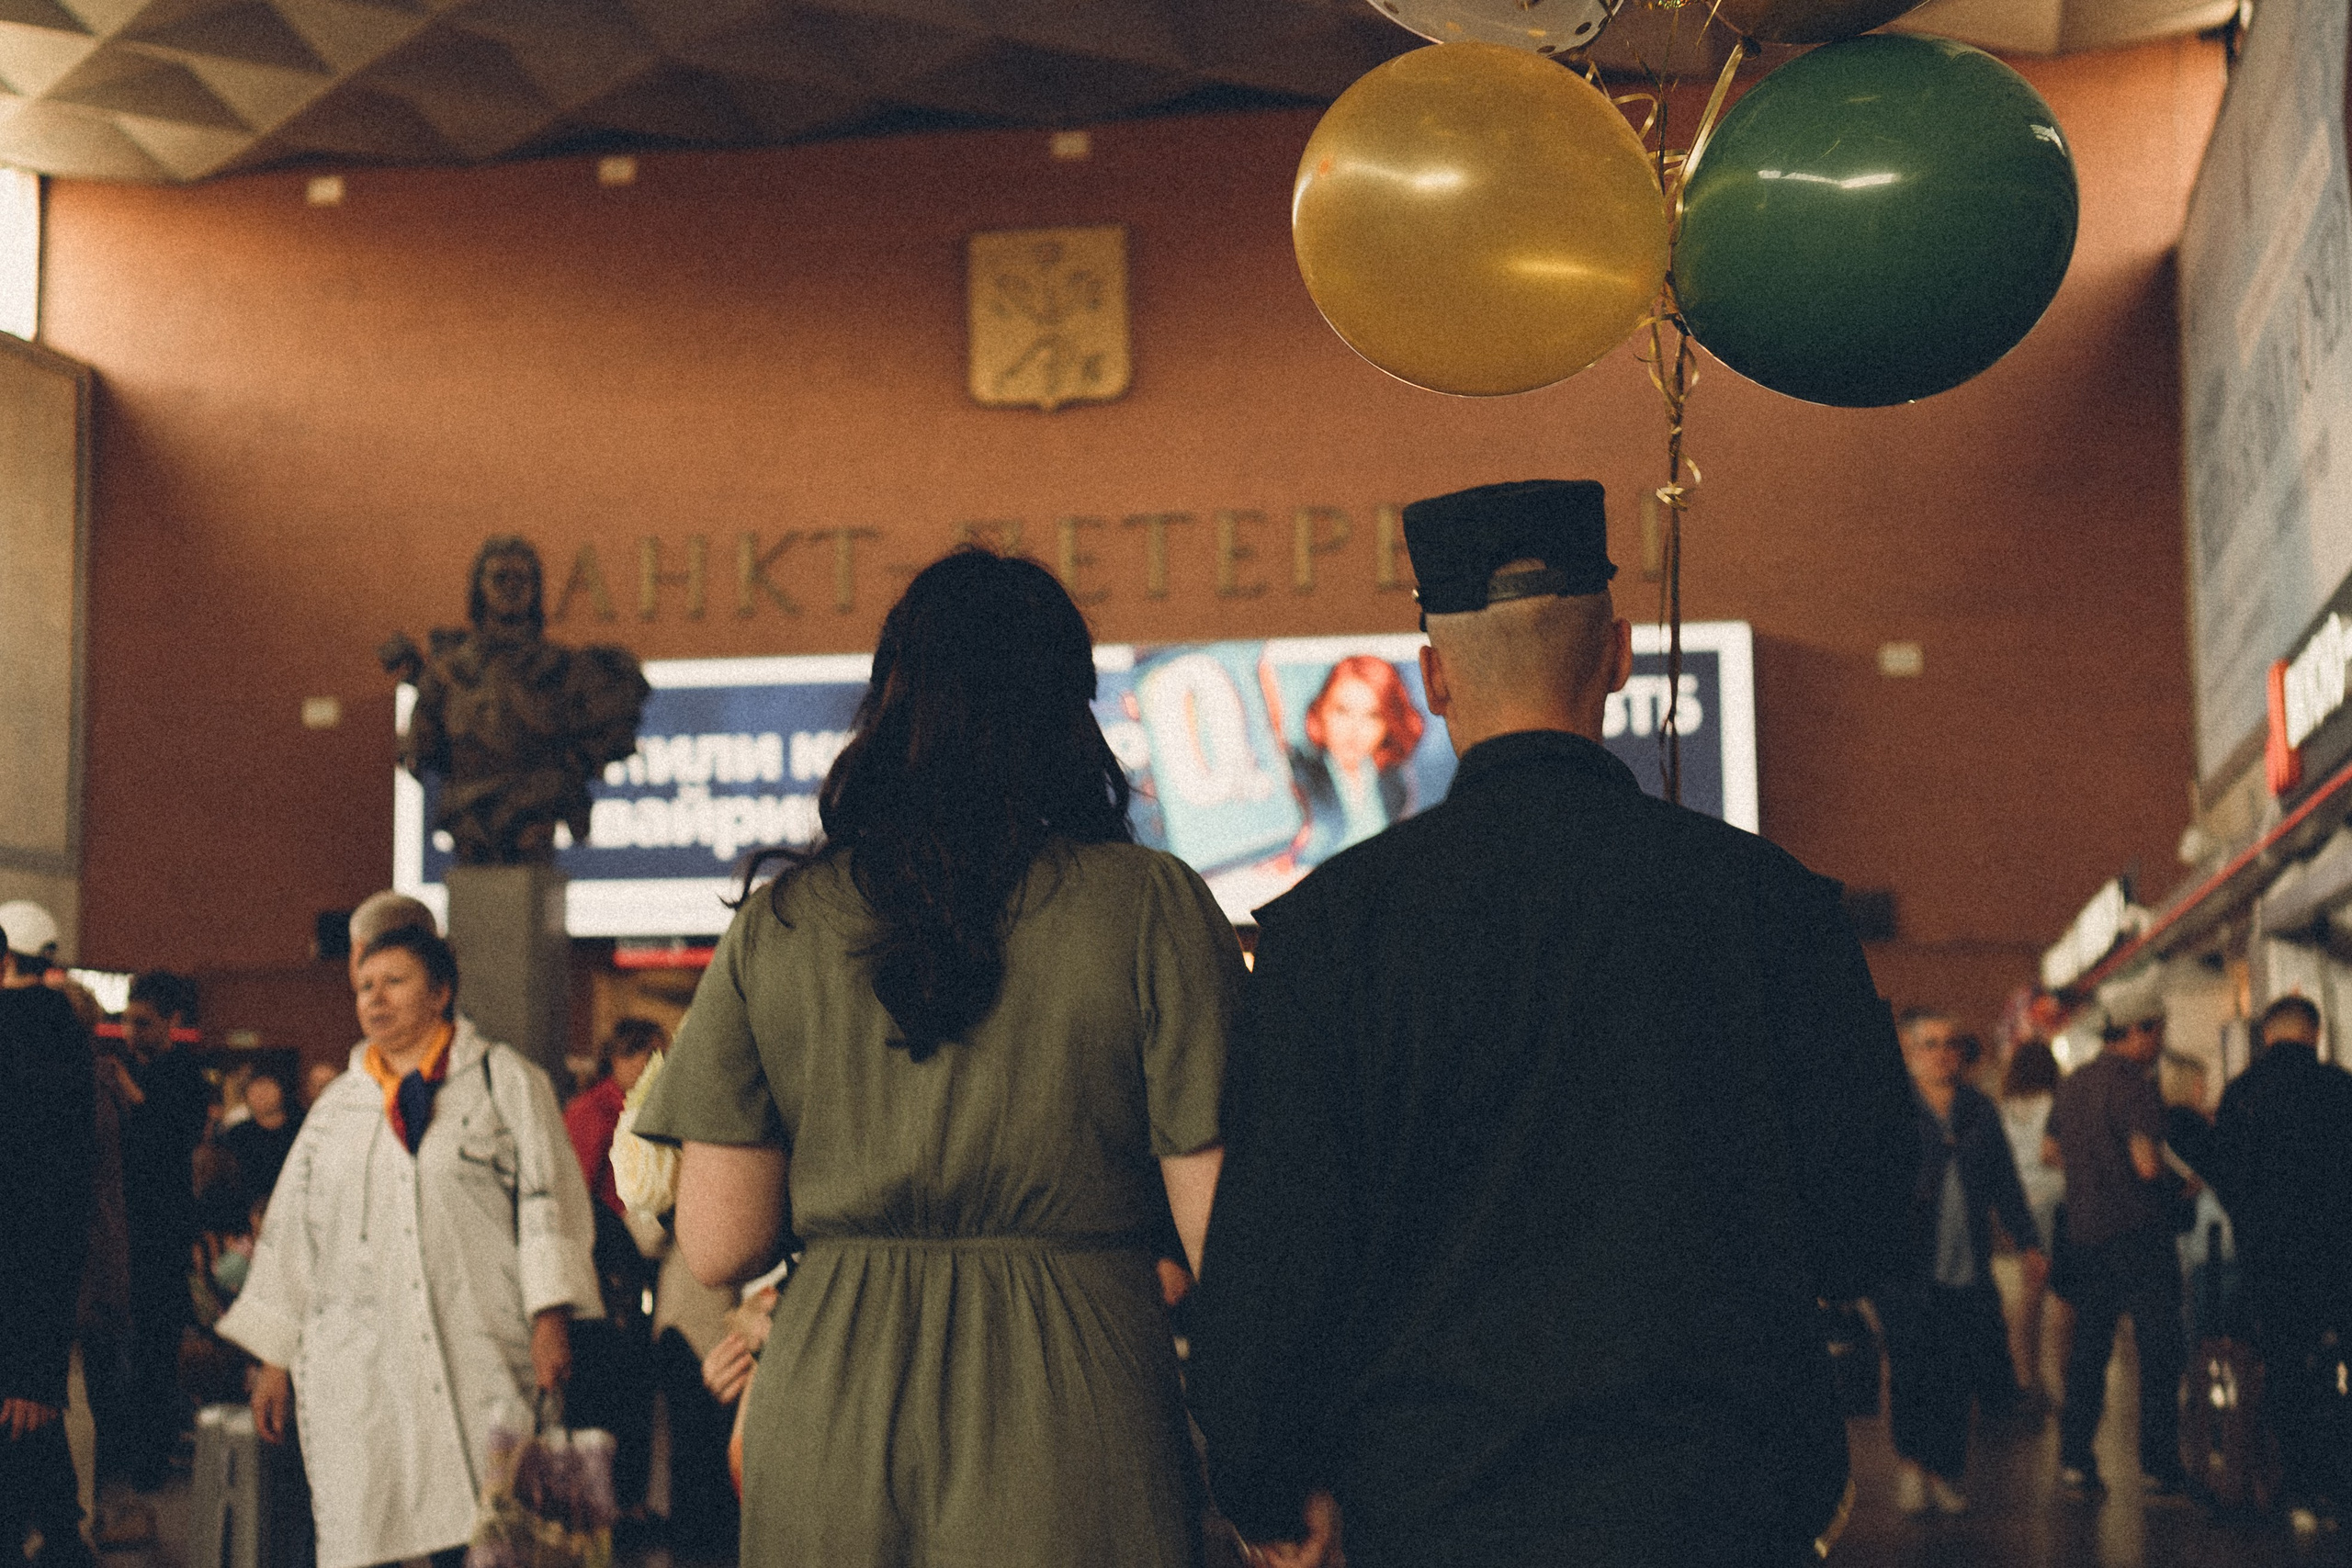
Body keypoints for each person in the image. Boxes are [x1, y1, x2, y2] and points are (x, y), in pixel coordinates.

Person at [1185, 479, 1916, 1568]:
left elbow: (1276, 1262)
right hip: (1721, 1504)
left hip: (1439, 1509)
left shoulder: (1329, 935)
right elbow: (1867, 1228)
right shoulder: (1773, 907)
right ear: (1619, 657)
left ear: (1433, 678)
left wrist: (1269, 1488)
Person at [633, 548, 1241, 1568]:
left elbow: (717, 1243)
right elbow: (1226, 1236)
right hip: (1078, 1410)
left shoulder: (781, 925)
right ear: (1069, 711)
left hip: (830, 1410)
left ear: (891, 702)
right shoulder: (1149, 907)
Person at [217, 925, 603, 1568]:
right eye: (365, 986)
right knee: (371, 1519)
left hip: (480, 1346)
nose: (375, 998)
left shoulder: (504, 1081)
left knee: (494, 1535)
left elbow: (549, 1198)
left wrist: (550, 1315)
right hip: (361, 1364)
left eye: (394, 982)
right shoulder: (337, 1107)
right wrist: (275, 1359)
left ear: (440, 991)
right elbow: (292, 1234)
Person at [1880, 1008, 2044, 1515]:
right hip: (1906, 1266)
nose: (1942, 1054)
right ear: (1908, 1050)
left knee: (1956, 1371)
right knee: (1912, 1367)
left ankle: (1946, 1470)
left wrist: (2028, 1241)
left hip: (1966, 1263)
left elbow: (2005, 1182)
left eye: (1950, 1043)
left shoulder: (1978, 1109)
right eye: (1930, 1044)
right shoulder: (1891, 1109)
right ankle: (1913, 1467)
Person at [2206, 996, 2352, 1529]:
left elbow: (2225, 1173)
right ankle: (2341, 1482)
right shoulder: (2341, 1088)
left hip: (2269, 1259)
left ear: (2266, 1035)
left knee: (2286, 1366)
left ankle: (2300, 1490)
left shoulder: (2242, 1094)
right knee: (2338, 1367)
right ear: (2316, 1033)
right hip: (2338, 1254)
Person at [2048, 987, 2193, 1500]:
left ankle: (2075, 1459)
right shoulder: (2135, 1085)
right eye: (2158, 1030)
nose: (2160, 1041)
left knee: (2089, 1351)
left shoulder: (2073, 1083)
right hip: (2140, 1236)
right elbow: (2147, 1164)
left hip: (2086, 1235)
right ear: (2139, 1030)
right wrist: (2184, 1186)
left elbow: (2052, 1152)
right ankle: (2158, 1465)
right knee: (2159, 1352)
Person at [1, 911, 98, 1567]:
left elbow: (41, 1204)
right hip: (29, 1322)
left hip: (16, 1322)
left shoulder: (26, 1036)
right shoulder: (60, 1033)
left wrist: (33, 1368)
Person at [563, 1018, 667, 1527]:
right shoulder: (594, 1112)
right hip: (608, 1267)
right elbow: (577, 1195)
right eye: (646, 1056)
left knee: (634, 1382)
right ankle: (613, 1504)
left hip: (634, 1261)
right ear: (621, 1058)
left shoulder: (637, 1106)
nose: (655, 1066)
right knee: (613, 1382)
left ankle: (629, 1499)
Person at [116, 970, 207, 1493]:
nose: (132, 1032)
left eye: (144, 1023)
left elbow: (171, 1141)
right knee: (120, 1348)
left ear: (172, 1021)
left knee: (156, 1346)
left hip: (163, 1231)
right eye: (128, 1021)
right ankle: (125, 1453)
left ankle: (150, 1459)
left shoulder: (186, 1076)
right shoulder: (126, 1066)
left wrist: (129, 1091)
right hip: (124, 1227)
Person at [1287, 655, 1424, 866]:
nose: (1355, 730)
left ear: (1389, 724)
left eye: (1372, 715)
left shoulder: (1395, 782)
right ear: (1321, 710)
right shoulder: (1296, 774)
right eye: (1342, 710)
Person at [1996, 1039, 2065, 1398]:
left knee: (2030, 1292)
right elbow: (2052, 1154)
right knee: (2059, 1294)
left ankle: (2026, 1373)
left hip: (2020, 1202)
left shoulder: (2005, 1109)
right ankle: (2053, 1377)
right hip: (2053, 1198)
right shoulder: (2053, 1105)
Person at [218, 1066, 301, 1205]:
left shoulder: (299, 1128)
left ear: (282, 1090)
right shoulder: (236, 1134)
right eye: (253, 1089)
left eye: (266, 1088)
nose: (260, 1094)